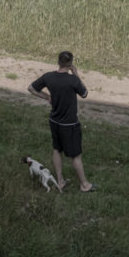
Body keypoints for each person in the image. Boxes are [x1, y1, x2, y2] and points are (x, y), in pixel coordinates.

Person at [27, 51, 95, 193]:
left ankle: (60, 180)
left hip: (54, 121)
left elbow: (31, 88)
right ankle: (84, 185)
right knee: (76, 155)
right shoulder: (73, 80)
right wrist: (76, 74)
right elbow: (84, 93)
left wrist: (47, 97)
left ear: (58, 62)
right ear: (71, 64)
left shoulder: (48, 77)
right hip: (69, 124)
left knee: (57, 149)